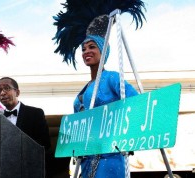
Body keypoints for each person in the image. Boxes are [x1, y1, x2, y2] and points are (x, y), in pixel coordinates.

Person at [52, 0, 146, 177]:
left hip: (109, 159)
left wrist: (123, 136)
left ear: (104, 51)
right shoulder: (84, 89)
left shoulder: (111, 78)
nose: (86, 51)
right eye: (83, 48)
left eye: (92, 47)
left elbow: (137, 103)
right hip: (85, 160)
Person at [0, 77, 52, 177]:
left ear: (17, 92)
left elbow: (45, 144)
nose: (2, 93)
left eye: (7, 88)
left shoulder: (35, 113)